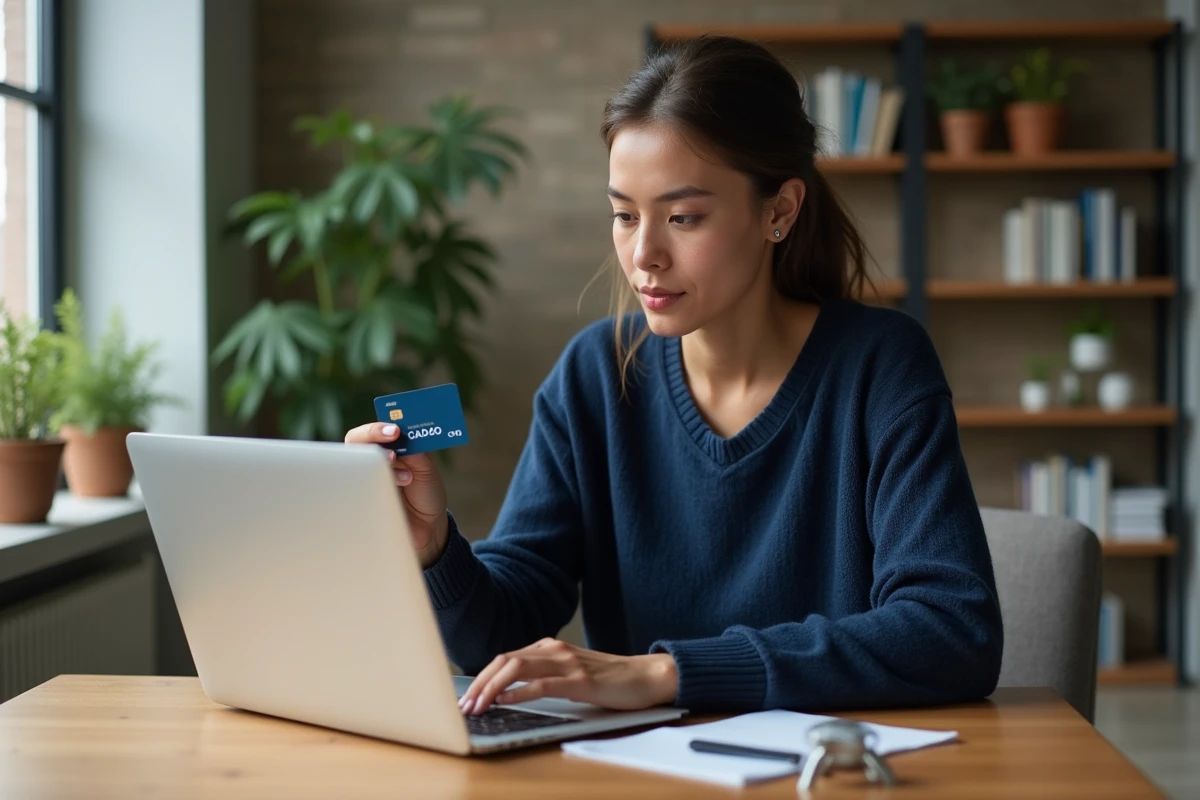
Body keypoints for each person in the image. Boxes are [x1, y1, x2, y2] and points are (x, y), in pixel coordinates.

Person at [345, 35, 1003, 717]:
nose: (644, 256)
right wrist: (436, 550)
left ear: (778, 211)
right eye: (625, 216)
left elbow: (952, 632)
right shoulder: (594, 375)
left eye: (683, 217)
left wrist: (666, 674)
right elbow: (502, 637)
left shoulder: (880, 366)